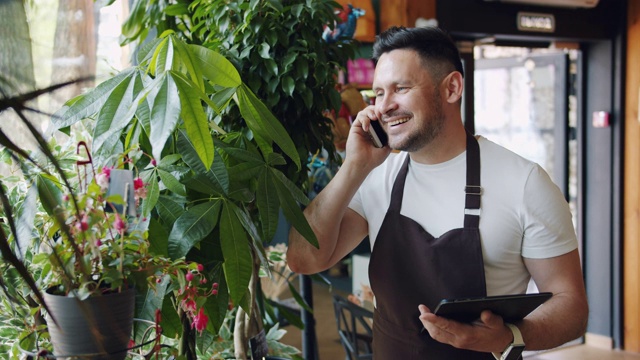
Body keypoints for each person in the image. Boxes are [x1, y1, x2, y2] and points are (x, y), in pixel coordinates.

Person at [287, 26, 588, 359]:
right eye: (378, 93)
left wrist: (508, 336)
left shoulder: (524, 183)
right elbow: (303, 259)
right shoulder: (375, 177)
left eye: (400, 88)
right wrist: (353, 167)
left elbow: (571, 307)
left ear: (452, 88)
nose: (383, 107)